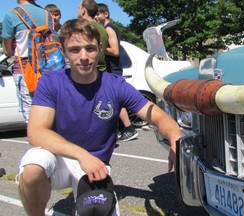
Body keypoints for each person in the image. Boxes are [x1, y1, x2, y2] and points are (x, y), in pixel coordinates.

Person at [17, 18, 183, 215]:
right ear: (63, 51)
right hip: (60, 160)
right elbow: (36, 132)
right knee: (33, 166)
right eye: (75, 49)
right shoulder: (51, 82)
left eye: (90, 48)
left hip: (96, 167)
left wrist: (175, 138)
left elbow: (157, 116)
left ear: (101, 48)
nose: (84, 56)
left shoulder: (115, 85)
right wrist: (82, 155)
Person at [1, 0, 50, 123]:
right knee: (48, 111)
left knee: (30, 115)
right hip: (48, 68)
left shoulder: (12, 15)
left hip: (25, 69)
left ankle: (37, 140)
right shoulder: (47, 14)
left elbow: (7, 51)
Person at [95, 3, 138, 142]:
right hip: (111, 69)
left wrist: (98, 48)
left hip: (114, 69)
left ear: (105, 14)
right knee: (112, 100)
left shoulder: (109, 29)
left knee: (115, 100)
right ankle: (120, 129)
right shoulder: (106, 28)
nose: (95, 17)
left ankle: (129, 128)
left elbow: (115, 51)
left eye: (98, 14)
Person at [77, 0, 108, 72]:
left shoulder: (81, 27)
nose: (77, 11)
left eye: (78, 8)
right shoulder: (102, 28)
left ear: (83, 10)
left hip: (87, 71)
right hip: (102, 71)